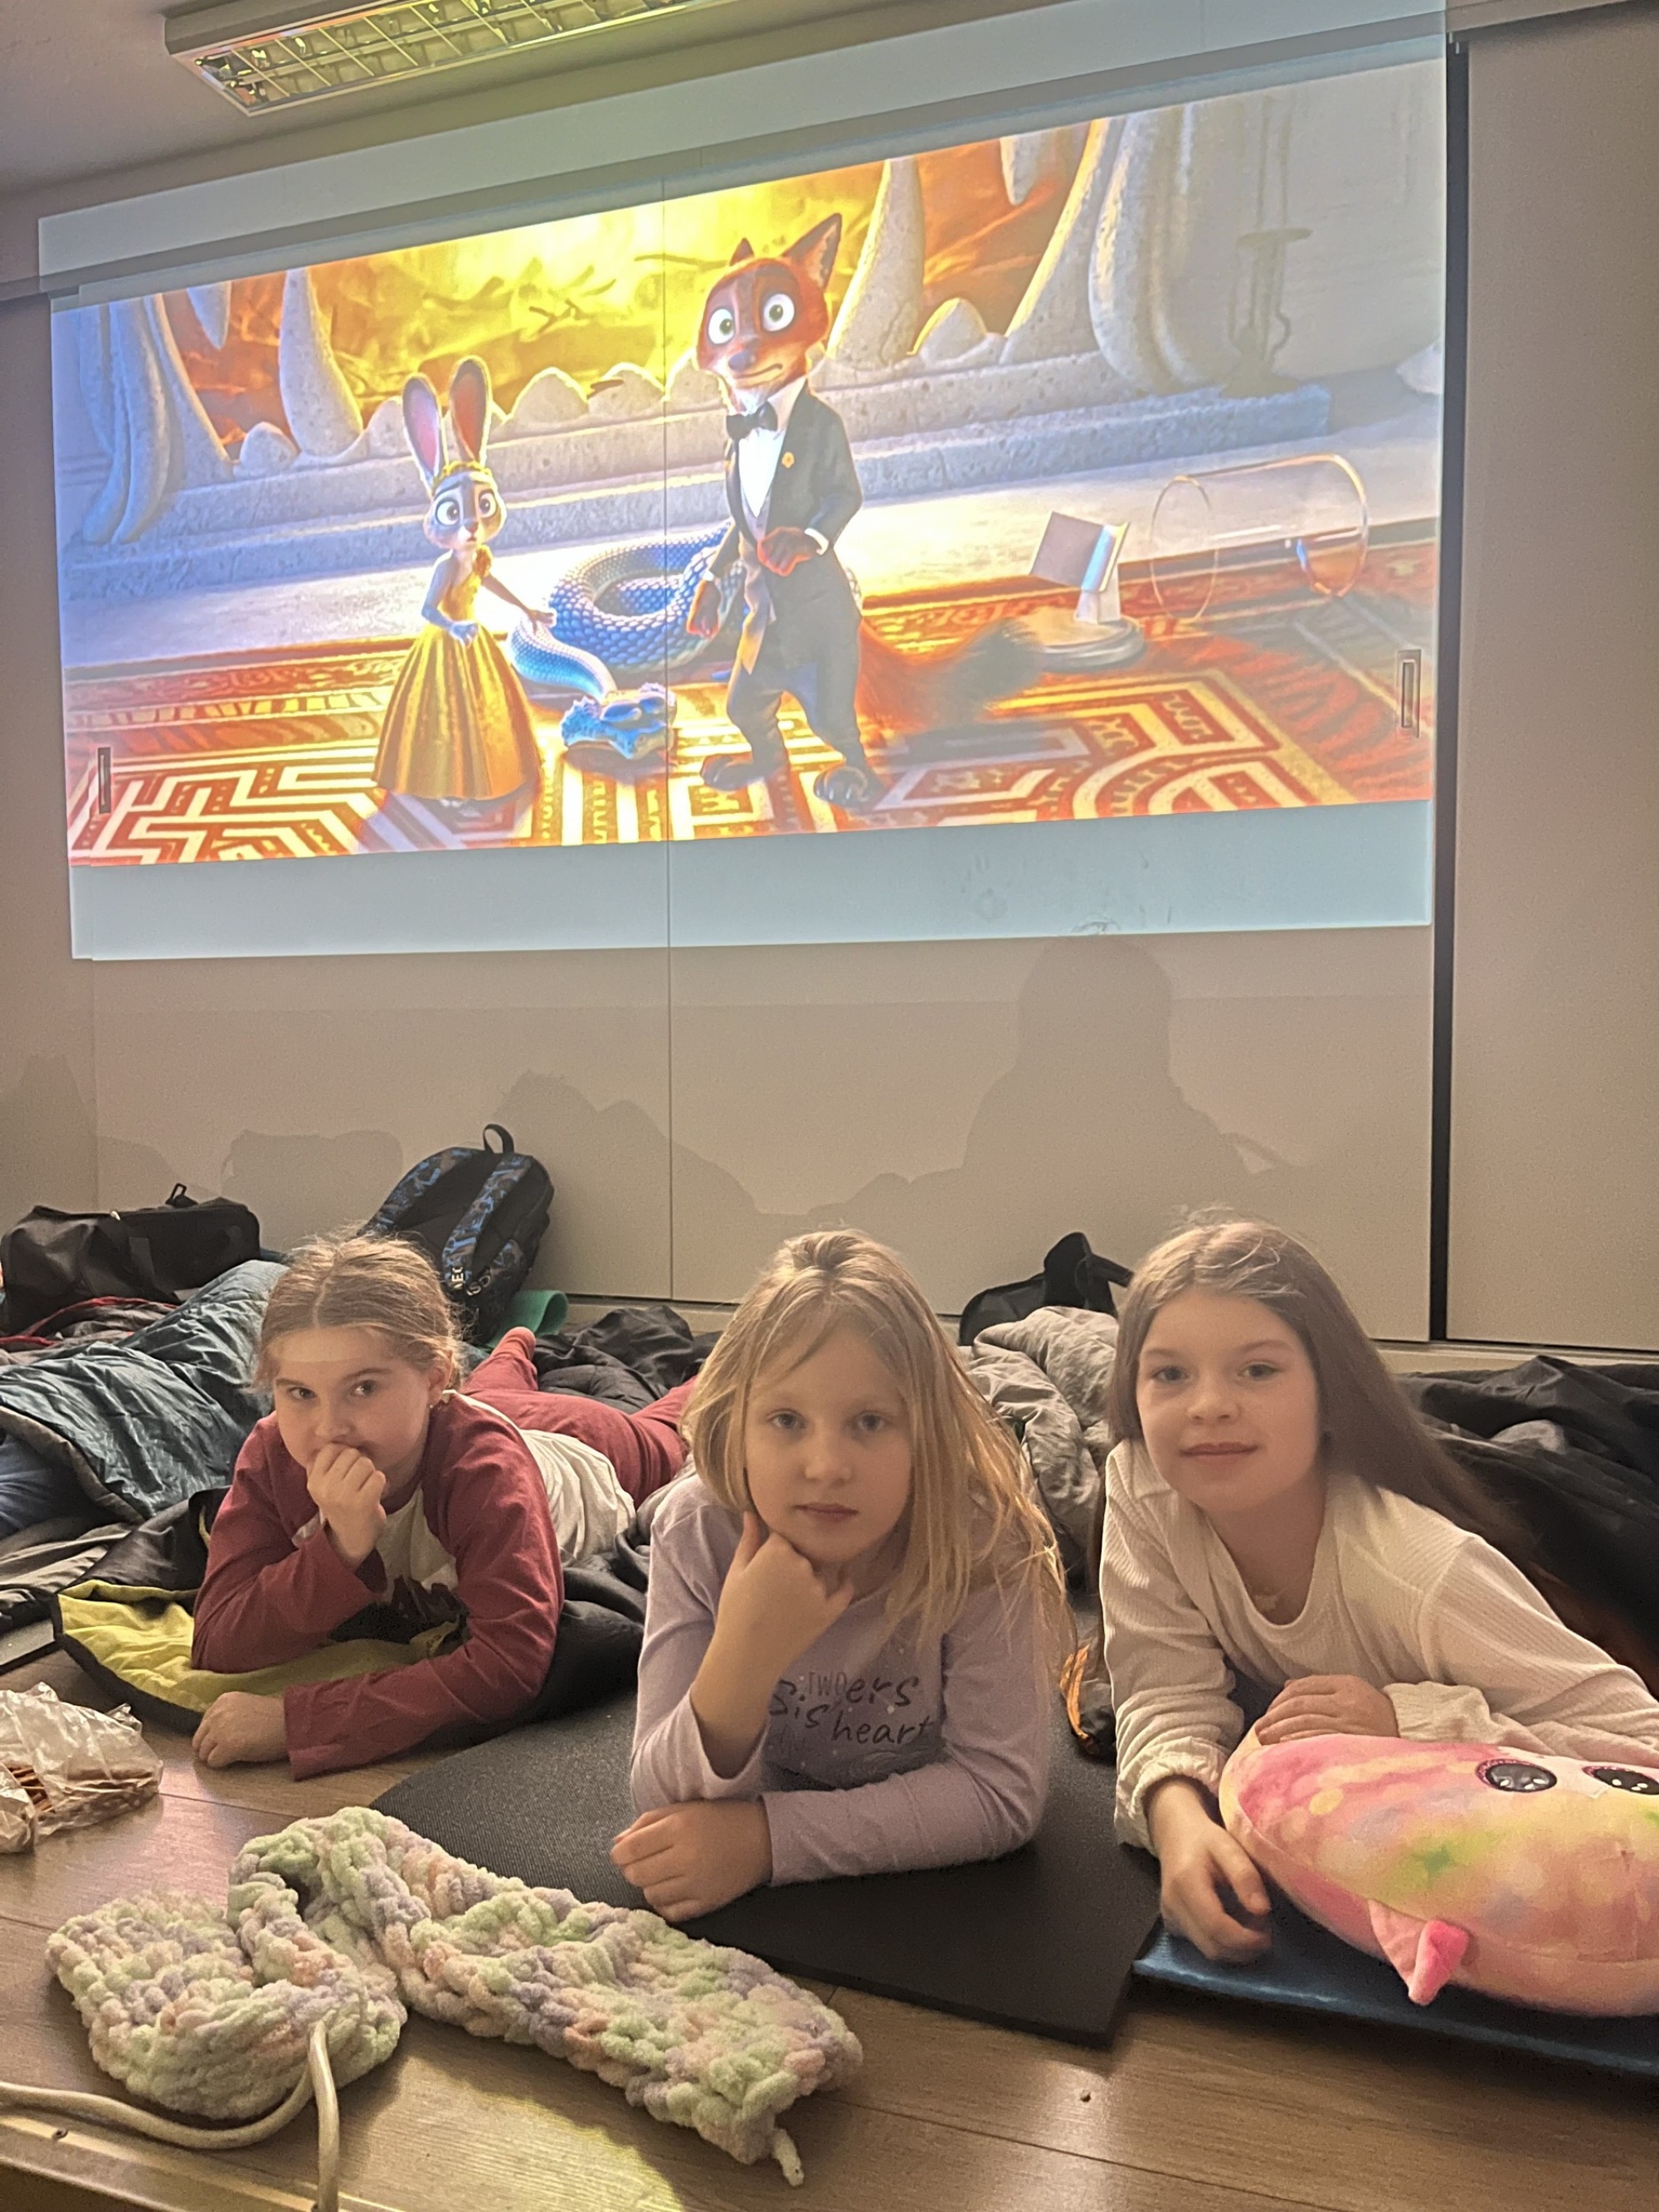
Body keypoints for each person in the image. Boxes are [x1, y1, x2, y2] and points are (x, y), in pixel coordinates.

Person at [1101, 1217, 1659, 1963]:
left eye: (1257, 1370)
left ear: (1330, 1393)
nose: (1208, 1406)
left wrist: (1410, 1719)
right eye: (1170, 1374)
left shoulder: (1423, 1570)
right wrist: (1178, 1823)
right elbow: (1163, 1686)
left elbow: (1640, 1742)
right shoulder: (1144, 1483)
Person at [612, 1229, 1068, 1922]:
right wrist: (745, 1653)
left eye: (870, 1422)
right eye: (786, 1419)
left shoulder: (979, 1540)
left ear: (927, 1433)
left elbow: (999, 1792)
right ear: (737, 1424)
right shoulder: (699, 1527)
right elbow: (662, 1800)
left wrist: (768, 1842)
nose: (826, 1466)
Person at [192, 1235, 687, 1780]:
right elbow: (218, 1639)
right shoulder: (273, 1454)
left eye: (363, 1388)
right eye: (300, 1393)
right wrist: (339, 1549)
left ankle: (523, 1355)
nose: (329, 1428)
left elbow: (510, 1664)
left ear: (432, 1378)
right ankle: (513, 1352)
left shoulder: (485, 1473)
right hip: (466, 1413)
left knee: (678, 1426)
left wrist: (300, 1723)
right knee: (494, 1393)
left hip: (583, 1450)